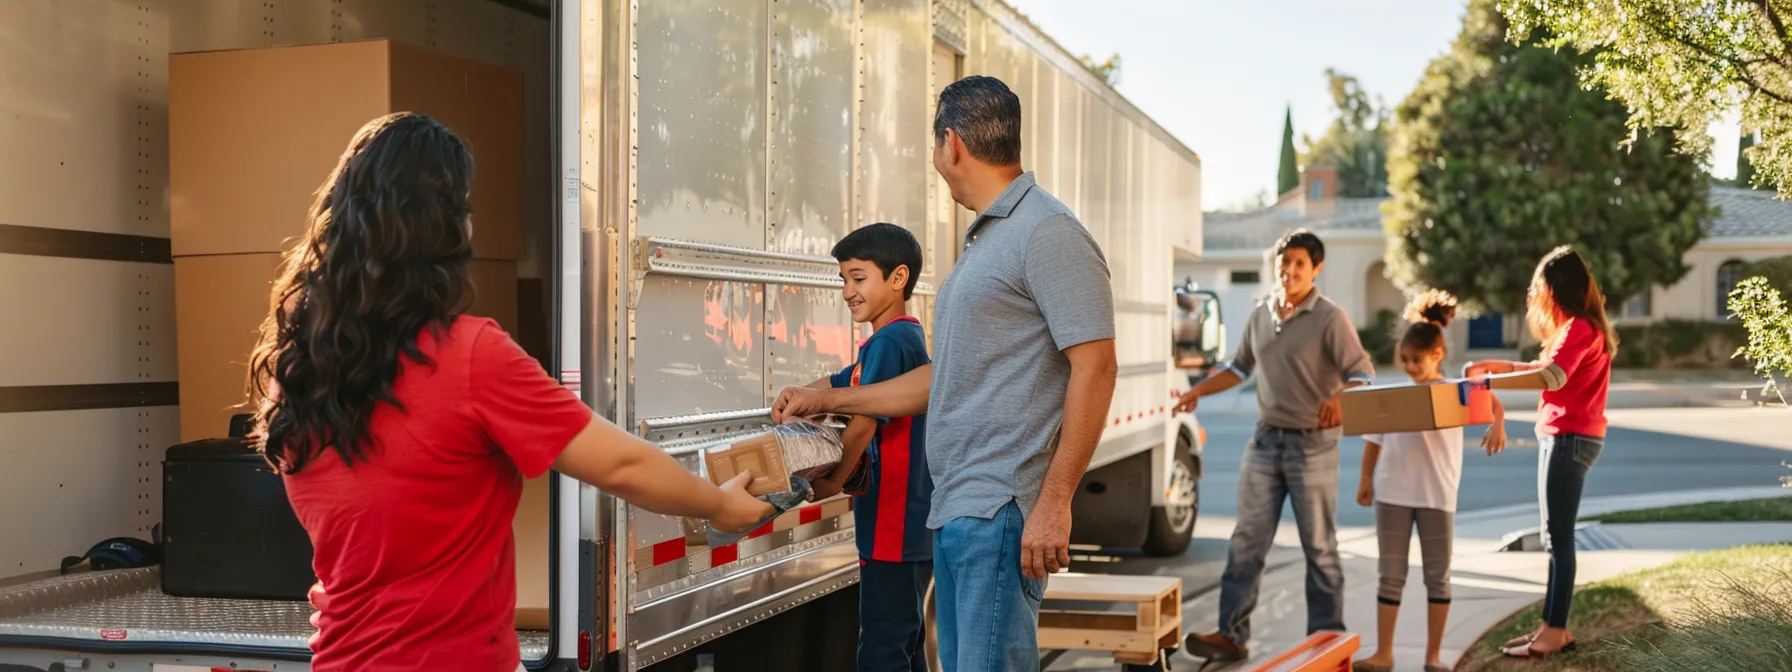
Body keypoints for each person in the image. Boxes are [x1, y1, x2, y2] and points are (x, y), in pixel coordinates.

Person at [246, 112, 772, 672]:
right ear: (442, 228)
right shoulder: (470, 355)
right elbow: (619, 464)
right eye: (463, 207)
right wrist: (720, 505)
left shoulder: (296, 367)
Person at [771, 75, 1118, 672]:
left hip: (1000, 510)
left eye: (935, 146)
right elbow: (942, 380)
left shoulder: (1047, 231)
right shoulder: (990, 239)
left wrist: (1056, 501)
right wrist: (825, 396)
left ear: (950, 143)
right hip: (961, 512)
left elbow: (1097, 366)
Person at [1173, 228, 1375, 662]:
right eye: (1284, 263)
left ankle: (1327, 644)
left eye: (1300, 263)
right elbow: (1239, 366)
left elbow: (1363, 373)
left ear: (1316, 269)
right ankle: (1231, 635)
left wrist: (1341, 397)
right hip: (1265, 442)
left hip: (1313, 446)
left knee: (1319, 548)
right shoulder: (1262, 312)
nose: (1290, 271)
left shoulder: (1330, 317)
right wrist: (1198, 392)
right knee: (1247, 541)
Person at [794, 222, 934, 672]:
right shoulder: (887, 342)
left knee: (881, 650)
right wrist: (793, 398)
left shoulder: (892, 340)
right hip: (900, 526)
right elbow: (836, 384)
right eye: (843, 280)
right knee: (903, 646)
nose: (848, 291)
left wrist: (832, 481)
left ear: (898, 279)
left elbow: (863, 425)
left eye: (858, 278)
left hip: (894, 525)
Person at [1465, 245, 1615, 660]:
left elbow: (1551, 376)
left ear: (1555, 289)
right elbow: (1544, 366)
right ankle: (1552, 627)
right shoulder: (1573, 329)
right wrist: (1499, 369)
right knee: (1554, 537)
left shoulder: (1581, 329)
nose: (1537, 297)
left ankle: (1555, 630)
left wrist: (1489, 386)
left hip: (1570, 438)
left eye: (1540, 288)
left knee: (1558, 538)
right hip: (1564, 437)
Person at [1350, 291, 1507, 672]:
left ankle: (1433, 658)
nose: (1408, 367)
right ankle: (1384, 654)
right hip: (1393, 495)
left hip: (1437, 496)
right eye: (1403, 360)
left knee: (1438, 579)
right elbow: (1373, 438)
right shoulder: (1393, 394)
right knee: (1390, 577)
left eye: (1415, 360)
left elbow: (1492, 402)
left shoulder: (1454, 391)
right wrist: (1365, 480)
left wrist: (1498, 424)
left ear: (1437, 355)